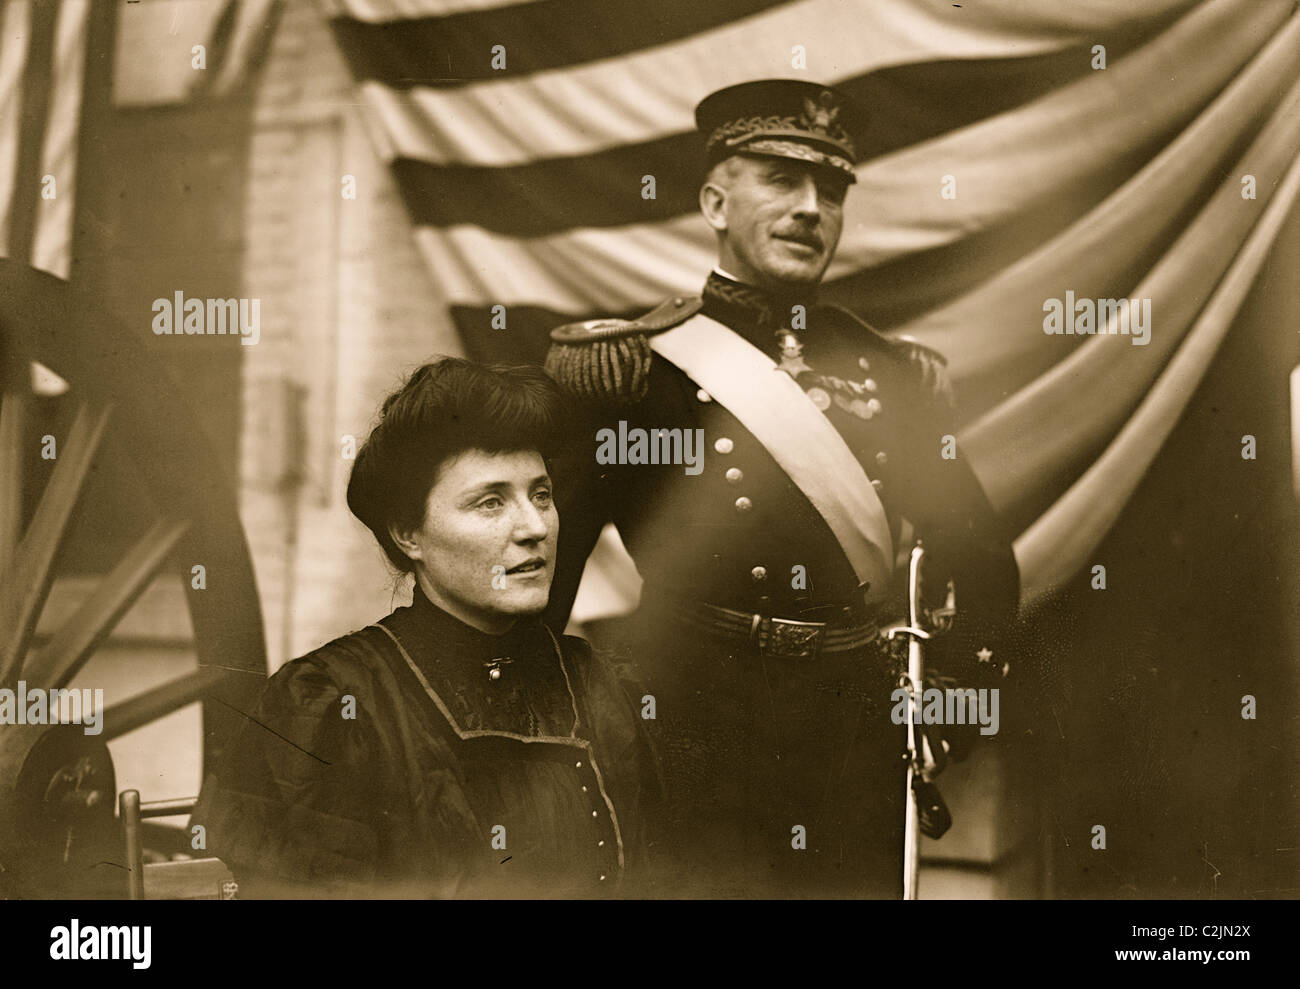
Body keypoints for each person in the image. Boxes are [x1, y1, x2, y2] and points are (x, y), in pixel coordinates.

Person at [544, 79, 1020, 897]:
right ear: (714, 202)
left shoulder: (893, 375)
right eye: (780, 180)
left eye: (831, 191)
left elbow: (981, 563)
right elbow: (546, 578)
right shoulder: (634, 372)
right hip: (681, 726)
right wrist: (550, 737)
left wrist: (945, 708)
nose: (811, 208)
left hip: (853, 734)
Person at [190, 358, 658, 898]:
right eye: (490, 502)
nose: (534, 528)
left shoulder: (601, 686)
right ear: (409, 533)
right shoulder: (335, 704)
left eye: (542, 494)